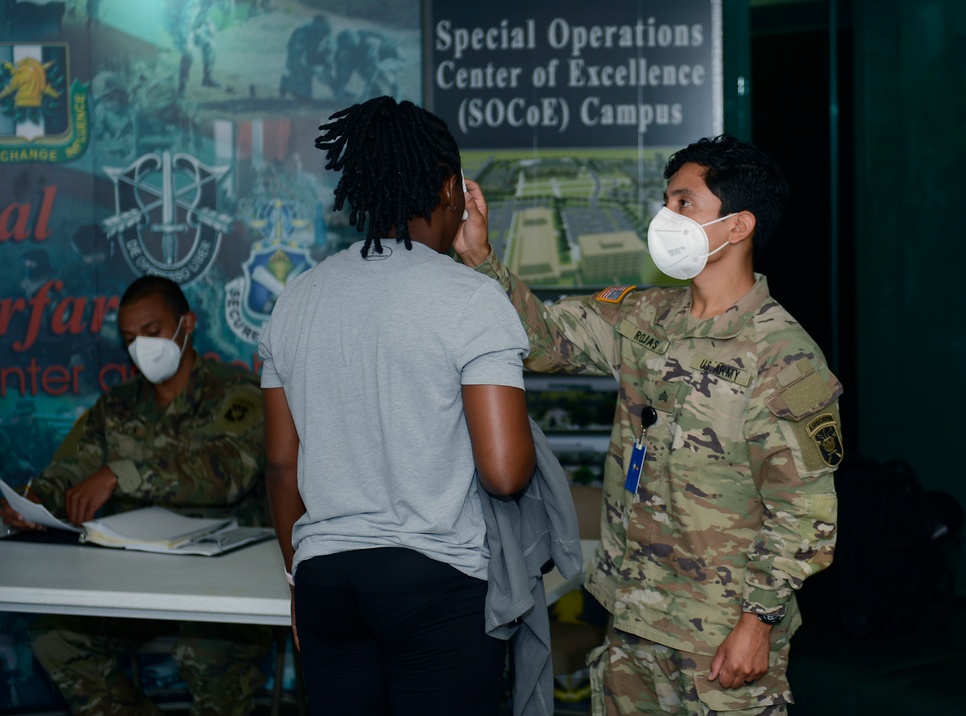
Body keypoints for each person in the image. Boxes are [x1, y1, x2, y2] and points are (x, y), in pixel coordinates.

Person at [454, 135, 844, 716]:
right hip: (630, 617)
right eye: (666, 201)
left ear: (738, 227)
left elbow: (805, 510)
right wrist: (480, 258)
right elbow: (540, 340)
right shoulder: (645, 314)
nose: (666, 216)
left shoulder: (786, 357)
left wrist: (757, 623)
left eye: (684, 203)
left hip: (718, 636)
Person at [258, 95, 536, 715]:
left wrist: (297, 580)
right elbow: (505, 469)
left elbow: (280, 467)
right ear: (448, 191)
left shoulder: (297, 299)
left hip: (328, 580)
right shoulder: (470, 300)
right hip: (437, 583)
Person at [1, 275, 272, 716]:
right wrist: (34, 502)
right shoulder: (117, 406)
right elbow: (69, 470)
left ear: (187, 323)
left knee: (204, 654)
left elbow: (227, 474)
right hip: (134, 584)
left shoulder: (236, 393)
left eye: (152, 332)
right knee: (55, 637)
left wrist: (119, 475)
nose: (141, 347)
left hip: (224, 586)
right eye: (130, 339)